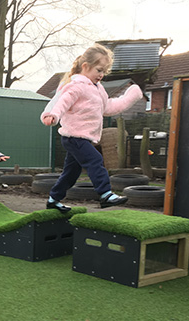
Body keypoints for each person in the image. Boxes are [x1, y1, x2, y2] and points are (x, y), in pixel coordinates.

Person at [41, 43, 144, 212]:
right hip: (73, 136)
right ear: (85, 66)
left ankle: (53, 199)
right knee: (95, 159)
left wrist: (130, 97)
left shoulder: (98, 90)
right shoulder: (77, 86)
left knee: (71, 173)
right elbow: (63, 101)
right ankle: (105, 194)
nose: (101, 75)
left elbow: (108, 108)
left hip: (82, 138)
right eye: (99, 70)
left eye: (104, 71)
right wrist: (54, 115)